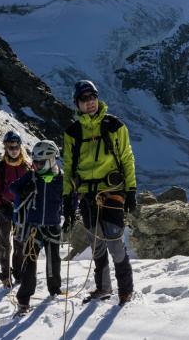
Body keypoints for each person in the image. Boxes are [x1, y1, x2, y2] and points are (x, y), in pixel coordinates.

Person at [62, 80, 138, 306]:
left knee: (114, 241)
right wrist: (67, 198)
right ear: (77, 103)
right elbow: (68, 169)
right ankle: (103, 288)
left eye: (92, 96)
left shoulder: (115, 126)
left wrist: (131, 190)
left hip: (112, 191)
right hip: (87, 195)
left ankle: (126, 289)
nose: (90, 102)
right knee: (96, 244)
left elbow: (127, 159)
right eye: (84, 99)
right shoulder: (72, 133)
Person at [10, 140, 69, 316]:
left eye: (40, 162)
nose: (35, 165)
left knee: (54, 260)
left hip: (52, 225)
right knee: (29, 262)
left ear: (52, 160)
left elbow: (70, 198)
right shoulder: (32, 176)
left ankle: (55, 289)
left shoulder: (61, 179)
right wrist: (23, 190)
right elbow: (13, 187)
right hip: (33, 227)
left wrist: (71, 213)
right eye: (35, 162)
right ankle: (24, 300)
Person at [0, 131, 31, 288]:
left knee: (20, 242)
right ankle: (6, 275)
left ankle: (18, 273)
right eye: (10, 147)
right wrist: (1, 207)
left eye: (16, 146)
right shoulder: (0, 167)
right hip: (5, 209)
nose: (13, 150)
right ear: (5, 148)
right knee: (5, 243)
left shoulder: (26, 166)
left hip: (21, 209)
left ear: (20, 146)